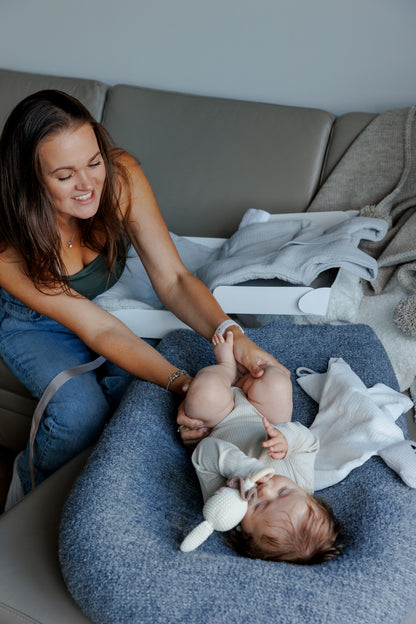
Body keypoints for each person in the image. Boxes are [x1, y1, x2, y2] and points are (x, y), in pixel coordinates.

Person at [0, 89, 283, 506]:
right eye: (64, 176)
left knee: (139, 397)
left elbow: (173, 279)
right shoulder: (8, 247)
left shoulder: (121, 176)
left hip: (97, 309)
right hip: (30, 321)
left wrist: (232, 335)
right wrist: (180, 381)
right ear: (30, 182)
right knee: (80, 414)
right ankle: (27, 503)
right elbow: (97, 329)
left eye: (93, 162)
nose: (88, 185)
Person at [185, 332, 342, 564]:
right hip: (266, 418)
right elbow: (309, 443)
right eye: (283, 492)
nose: (267, 488)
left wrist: (244, 469)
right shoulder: (302, 482)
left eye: (259, 506)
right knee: (276, 380)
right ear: (309, 496)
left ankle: (226, 368)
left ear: (242, 532)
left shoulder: (224, 500)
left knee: (202, 395)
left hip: (221, 419)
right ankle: (242, 382)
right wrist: (287, 439)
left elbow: (204, 452)